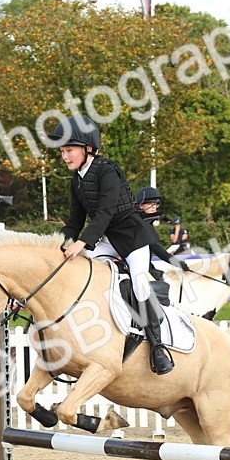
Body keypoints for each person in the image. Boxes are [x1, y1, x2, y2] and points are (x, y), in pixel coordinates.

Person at [53, 115, 174, 375]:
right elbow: (75, 220)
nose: (64, 156)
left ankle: (157, 346)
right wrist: (61, 244)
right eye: (62, 151)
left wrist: (83, 242)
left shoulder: (107, 170)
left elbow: (105, 213)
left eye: (69, 150)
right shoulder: (76, 180)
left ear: (87, 148)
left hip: (132, 239)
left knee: (140, 282)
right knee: (81, 268)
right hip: (106, 241)